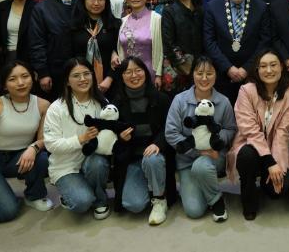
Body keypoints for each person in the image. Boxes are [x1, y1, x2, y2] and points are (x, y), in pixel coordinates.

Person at [0, 61, 53, 222]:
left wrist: (33, 148)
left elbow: (43, 139)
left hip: (18, 157)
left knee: (42, 158)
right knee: (6, 213)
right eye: (12, 79)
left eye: (25, 76)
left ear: (32, 78)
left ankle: (34, 196)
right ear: (5, 85)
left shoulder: (42, 105)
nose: (20, 83)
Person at [227, 49, 289, 220]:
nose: (269, 70)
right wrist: (268, 161)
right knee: (247, 155)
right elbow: (249, 129)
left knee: (277, 191)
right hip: (249, 146)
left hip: (276, 149)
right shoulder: (246, 90)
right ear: (257, 70)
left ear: (281, 67)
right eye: (263, 66)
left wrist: (277, 165)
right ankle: (249, 200)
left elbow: (282, 133)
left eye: (273, 65)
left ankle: (266, 179)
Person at [165, 56, 236, 221]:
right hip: (186, 160)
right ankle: (212, 193)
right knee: (194, 211)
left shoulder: (223, 102)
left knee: (202, 166)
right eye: (200, 73)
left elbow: (231, 129)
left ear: (216, 75)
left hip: (213, 157)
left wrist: (216, 144)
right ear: (193, 74)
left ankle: (215, 199)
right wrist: (196, 151)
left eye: (209, 73)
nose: (204, 78)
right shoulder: (180, 100)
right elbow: (170, 133)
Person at [43, 58, 112, 220]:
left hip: (91, 160)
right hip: (65, 167)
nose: (82, 79)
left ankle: (100, 201)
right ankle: (72, 194)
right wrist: (81, 138)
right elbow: (51, 144)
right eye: (76, 76)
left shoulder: (102, 102)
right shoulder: (56, 108)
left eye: (86, 74)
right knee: (82, 203)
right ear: (67, 81)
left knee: (98, 163)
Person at [112, 57, 175, 223]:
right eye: (128, 72)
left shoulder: (161, 99)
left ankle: (159, 199)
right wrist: (120, 138)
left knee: (152, 160)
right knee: (133, 205)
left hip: (155, 158)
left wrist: (158, 143)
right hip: (132, 160)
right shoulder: (116, 103)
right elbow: (109, 134)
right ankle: (149, 187)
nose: (134, 75)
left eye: (138, 70)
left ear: (146, 73)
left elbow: (169, 127)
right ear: (122, 76)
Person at [204, 0, 271, 104]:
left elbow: (265, 41)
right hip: (222, 75)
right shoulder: (212, 7)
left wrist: (246, 68)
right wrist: (228, 67)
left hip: (252, 75)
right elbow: (209, 41)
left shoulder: (261, 7)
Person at [29, 0, 79, 101]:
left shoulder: (84, 2)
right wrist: (43, 72)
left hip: (84, 66)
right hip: (56, 69)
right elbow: (36, 43)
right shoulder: (41, 8)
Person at [69, 0, 120, 97]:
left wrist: (109, 79)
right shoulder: (73, 26)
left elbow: (119, 56)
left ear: (106, 2)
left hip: (110, 84)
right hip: (80, 83)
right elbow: (69, 56)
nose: (96, 3)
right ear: (83, 1)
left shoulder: (115, 25)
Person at [162, 0, 204, 94]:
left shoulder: (200, 10)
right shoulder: (169, 10)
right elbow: (168, 41)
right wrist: (184, 64)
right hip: (179, 68)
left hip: (201, 65)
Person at [117, 0, 163, 90]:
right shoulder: (122, 21)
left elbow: (162, 50)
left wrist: (159, 74)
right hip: (127, 77)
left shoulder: (157, 19)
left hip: (151, 75)